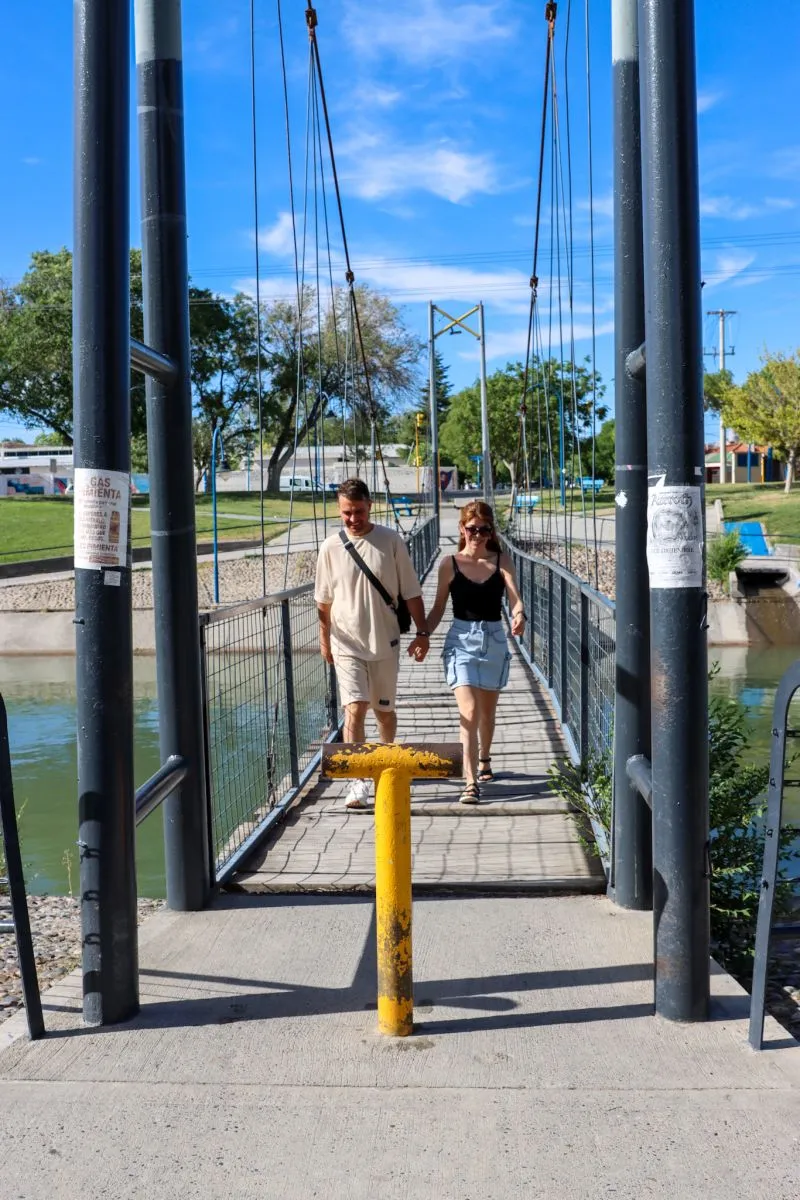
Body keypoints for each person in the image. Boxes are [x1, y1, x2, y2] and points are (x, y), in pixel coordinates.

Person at [315, 478, 430, 808]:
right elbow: (323, 602)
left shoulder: (390, 541)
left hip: (385, 641)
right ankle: (358, 779)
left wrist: (422, 633)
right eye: (347, 513)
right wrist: (325, 641)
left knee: (383, 711)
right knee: (355, 707)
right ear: (340, 510)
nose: (353, 519)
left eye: (359, 512)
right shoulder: (330, 548)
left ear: (371, 507)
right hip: (346, 640)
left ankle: (385, 763)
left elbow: (411, 591)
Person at [423, 501, 526, 804]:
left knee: (487, 714)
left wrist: (519, 614)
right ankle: (470, 782)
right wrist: (422, 634)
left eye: (484, 529)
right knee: (469, 711)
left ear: (491, 531)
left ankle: (484, 758)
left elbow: (515, 597)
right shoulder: (449, 564)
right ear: (462, 529)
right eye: (472, 529)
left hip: (494, 639)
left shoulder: (502, 560)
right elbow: (439, 607)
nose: (478, 535)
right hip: (461, 641)